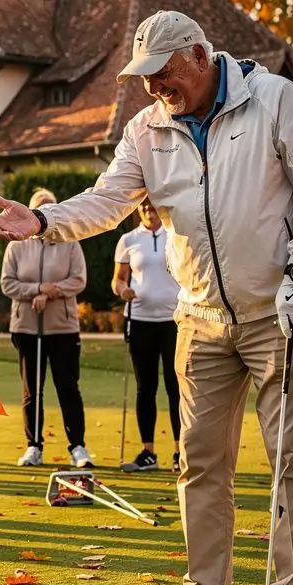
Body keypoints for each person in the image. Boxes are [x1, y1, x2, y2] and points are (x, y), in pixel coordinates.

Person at [0, 9, 293, 585]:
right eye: (145, 76)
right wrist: (42, 222)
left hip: (283, 310)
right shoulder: (146, 129)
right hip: (200, 317)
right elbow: (107, 201)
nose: (154, 87)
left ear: (201, 55)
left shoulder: (275, 100)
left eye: (164, 73)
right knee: (197, 461)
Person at [1, 187, 91, 468]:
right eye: (39, 208)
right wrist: (38, 289)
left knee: (68, 387)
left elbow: (78, 280)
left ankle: (78, 446)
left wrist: (52, 292)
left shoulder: (70, 242)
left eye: (50, 208)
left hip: (62, 328)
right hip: (26, 328)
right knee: (32, 391)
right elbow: (8, 283)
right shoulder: (16, 245)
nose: (44, 213)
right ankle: (34, 446)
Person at [113, 197, 181, 473]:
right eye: (143, 207)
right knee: (145, 387)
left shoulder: (175, 235)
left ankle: (180, 452)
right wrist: (122, 290)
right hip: (140, 320)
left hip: (174, 321)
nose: (148, 211)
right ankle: (148, 453)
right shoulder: (128, 240)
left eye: (152, 206)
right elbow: (118, 279)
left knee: (176, 387)